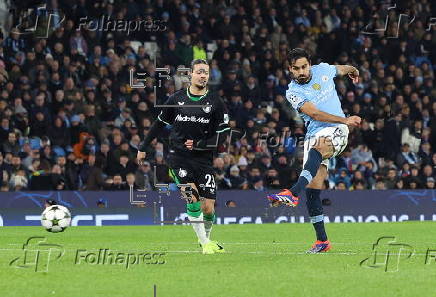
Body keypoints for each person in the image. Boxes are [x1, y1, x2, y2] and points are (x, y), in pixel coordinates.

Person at [267, 48, 361, 253]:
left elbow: (341, 69)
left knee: (318, 149)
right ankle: (322, 242)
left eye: (304, 67)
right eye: (296, 68)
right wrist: (346, 117)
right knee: (312, 190)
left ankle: (292, 192)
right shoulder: (293, 92)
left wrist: (353, 69)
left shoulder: (323, 70)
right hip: (315, 132)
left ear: (310, 64)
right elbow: (315, 114)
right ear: (290, 70)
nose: (301, 71)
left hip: (337, 128)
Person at [136, 59, 230, 254]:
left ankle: (206, 239)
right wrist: (143, 146)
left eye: (206, 73)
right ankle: (205, 244)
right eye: (199, 72)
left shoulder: (215, 102)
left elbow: (224, 132)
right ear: (190, 75)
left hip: (204, 160)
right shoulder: (176, 99)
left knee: (208, 209)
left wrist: (201, 144)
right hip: (178, 158)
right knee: (192, 198)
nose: (203, 76)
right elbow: (159, 124)